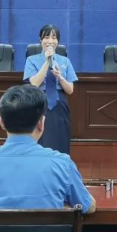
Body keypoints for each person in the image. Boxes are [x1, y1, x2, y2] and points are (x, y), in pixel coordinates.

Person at [0, 84, 95, 214]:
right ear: (41, 123)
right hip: (48, 228)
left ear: (1, 122)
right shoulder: (62, 164)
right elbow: (88, 207)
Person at [24, 24, 78, 154]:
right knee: (41, 142)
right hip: (38, 102)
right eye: (46, 37)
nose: (50, 41)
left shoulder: (65, 61)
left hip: (59, 104)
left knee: (60, 141)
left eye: (54, 38)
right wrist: (47, 61)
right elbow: (34, 83)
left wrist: (60, 77)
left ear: (58, 41)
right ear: (40, 39)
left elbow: (70, 90)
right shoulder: (31, 60)